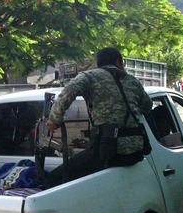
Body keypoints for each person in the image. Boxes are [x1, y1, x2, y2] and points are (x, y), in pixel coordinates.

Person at [46, 47, 152, 186]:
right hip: (135, 152)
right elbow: (147, 106)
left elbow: (69, 91)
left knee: (55, 178)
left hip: (108, 152)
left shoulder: (89, 76)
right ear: (118, 62)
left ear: (99, 63)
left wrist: (54, 120)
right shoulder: (132, 81)